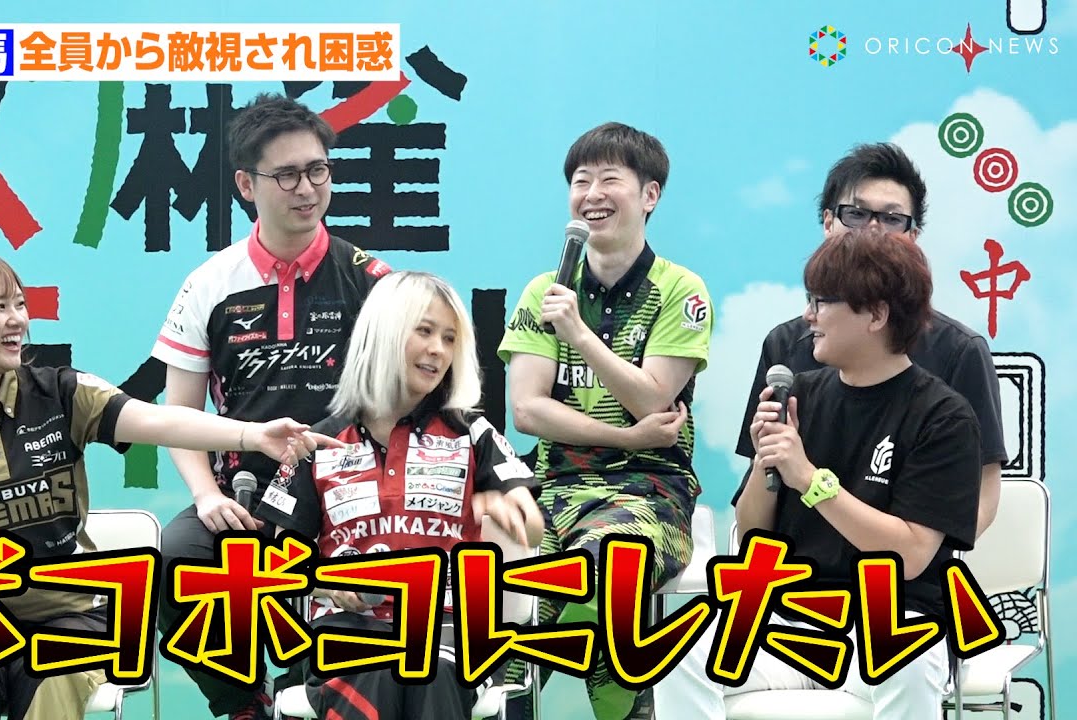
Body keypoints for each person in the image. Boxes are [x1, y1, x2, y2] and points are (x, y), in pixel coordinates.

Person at [0, 250, 334, 720]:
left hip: (71, 615)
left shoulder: (62, 392)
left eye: (19, 304)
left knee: (55, 674)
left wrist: (251, 434)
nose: (17, 320)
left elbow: (159, 420)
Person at [655, 227, 981, 718]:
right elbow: (753, 531)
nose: (808, 316)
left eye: (822, 302)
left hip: (895, 619)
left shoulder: (943, 416)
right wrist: (767, 460)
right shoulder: (800, 394)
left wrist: (809, 478)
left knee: (909, 663)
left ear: (877, 315)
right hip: (788, 617)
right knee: (678, 654)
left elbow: (911, 555)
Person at [150, 92, 390, 718]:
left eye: (317, 171)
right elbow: (180, 417)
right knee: (176, 562)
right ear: (246, 185)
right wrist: (207, 495)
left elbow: (404, 403)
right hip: (244, 498)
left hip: (347, 500)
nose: (306, 189)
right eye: (286, 175)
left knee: (352, 609)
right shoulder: (209, 284)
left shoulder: (373, 282)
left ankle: (307, 694)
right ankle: (244, 704)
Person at [255, 271, 544, 720]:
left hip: (452, 628)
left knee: (428, 669)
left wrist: (502, 508)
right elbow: (279, 559)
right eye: (424, 331)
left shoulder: (472, 433)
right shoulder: (318, 443)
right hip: (348, 629)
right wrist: (327, 581)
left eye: (449, 339)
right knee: (372, 667)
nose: (438, 350)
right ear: (383, 334)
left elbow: (533, 526)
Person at [497, 122, 713, 720]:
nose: (591, 194)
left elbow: (653, 401)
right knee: (505, 613)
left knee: (604, 565)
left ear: (650, 195)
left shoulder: (680, 290)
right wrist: (623, 434)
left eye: (609, 179)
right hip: (553, 489)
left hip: (649, 489)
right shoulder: (544, 290)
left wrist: (579, 335)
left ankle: (619, 698)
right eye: (580, 181)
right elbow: (528, 410)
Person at [735, 143, 1005, 537]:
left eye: (892, 219)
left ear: (914, 236)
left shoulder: (958, 353)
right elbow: (759, 508)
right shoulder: (789, 349)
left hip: (896, 565)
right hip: (799, 566)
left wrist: (926, 543)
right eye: (857, 214)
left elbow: (978, 497)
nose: (873, 230)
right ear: (828, 223)